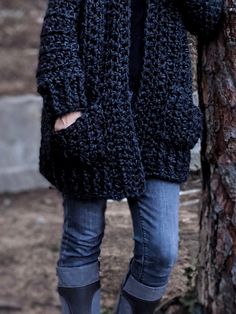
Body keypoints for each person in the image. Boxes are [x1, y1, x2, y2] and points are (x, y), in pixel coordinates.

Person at [36, 1, 225, 313]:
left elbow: (207, 18)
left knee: (161, 249)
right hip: (91, 112)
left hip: (159, 119)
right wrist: (68, 106)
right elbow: (59, 29)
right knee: (82, 238)